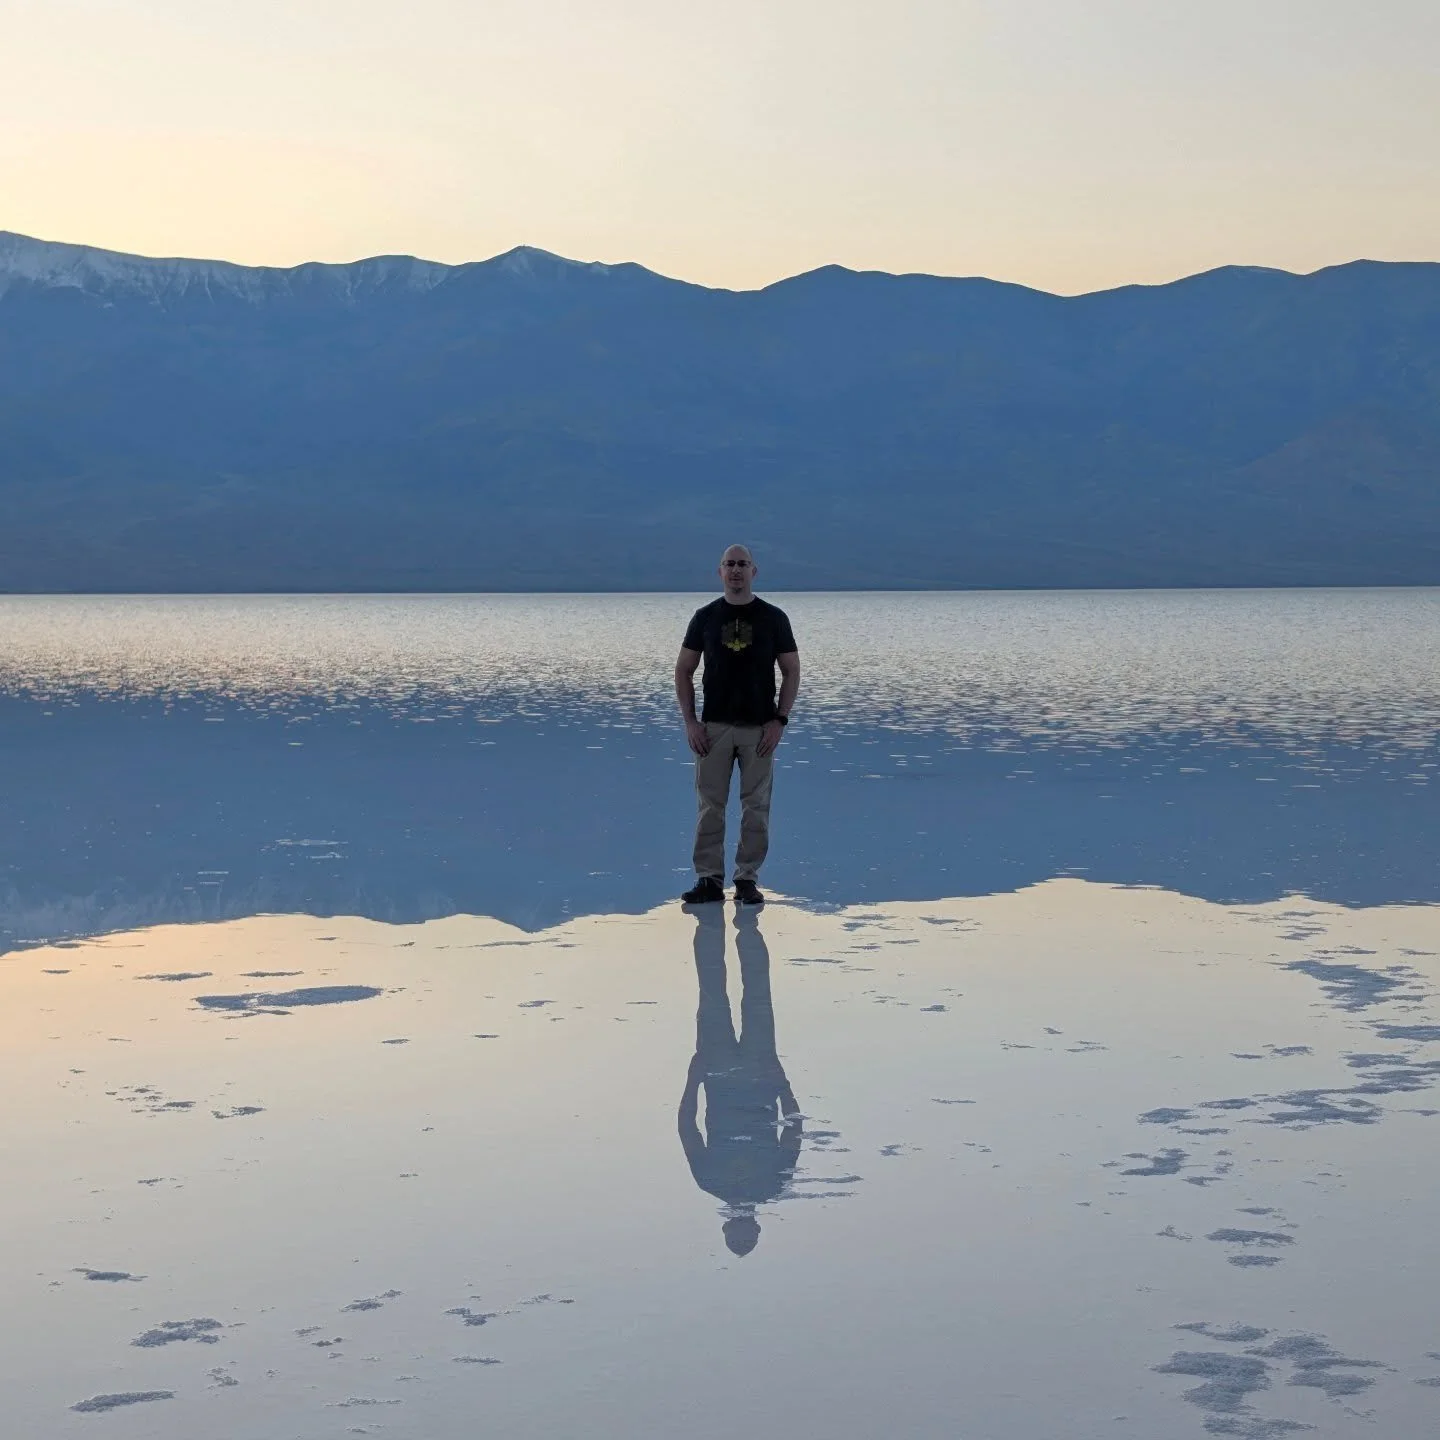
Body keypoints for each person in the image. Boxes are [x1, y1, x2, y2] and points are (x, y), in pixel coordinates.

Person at [674, 544, 800, 906]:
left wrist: (780, 720)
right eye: (729, 564)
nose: (736, 570)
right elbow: (683, 670)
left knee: (756, 807)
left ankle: (747, 879)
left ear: (753, 571)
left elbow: (791, 670)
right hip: (713, 729)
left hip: (759, 729)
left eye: (742, 564)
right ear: (720, 572)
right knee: (709, 806)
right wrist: (690, 722)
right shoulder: (705, 617)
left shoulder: (774, 618)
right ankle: (709, 879)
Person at [677, 906, 802, 1256]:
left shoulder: (716, 1181)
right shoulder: (762, 1183)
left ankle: (726, 926)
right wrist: (782, 1083)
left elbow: (687, 1128)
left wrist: (694, 1080)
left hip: (734, 1076)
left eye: (740, 1234)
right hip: (741, 1076)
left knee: (732, 997)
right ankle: (732, 926)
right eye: (745, 1234)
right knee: (732, 996)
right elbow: (793, 1131)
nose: (743, 1226)